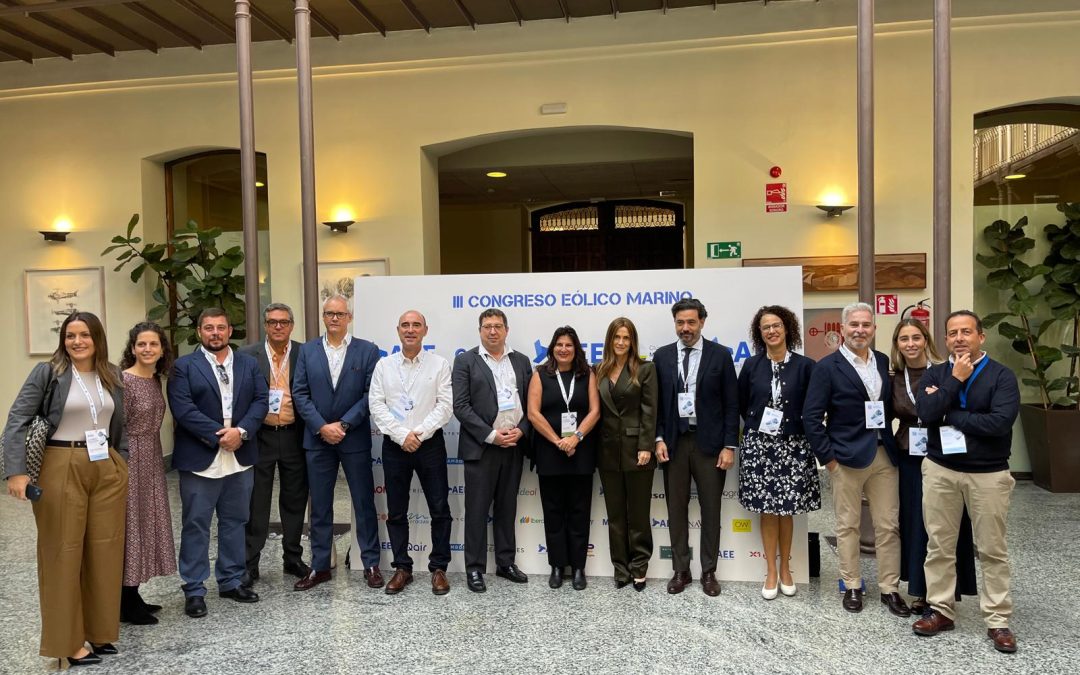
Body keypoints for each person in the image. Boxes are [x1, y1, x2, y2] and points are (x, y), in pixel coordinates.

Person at [3, 311, 128, 667]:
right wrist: (16, 472)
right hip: (60, 463)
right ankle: (68, 643)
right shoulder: (49, 372)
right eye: (70, 336)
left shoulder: (112, 374)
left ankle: (100, 632)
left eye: (84, 335)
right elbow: (17, 419)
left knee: (105, 551)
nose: (77, 341)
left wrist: (122, 463)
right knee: (62, 552)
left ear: (97, 338)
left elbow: (120, 423)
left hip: (104, 465)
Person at [913, 310, 1022, 654]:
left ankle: (998, 619)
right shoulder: (936, 373)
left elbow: (999, 423)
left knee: (992, 549)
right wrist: (955, 380)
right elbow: (926, 413)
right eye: (952, 333)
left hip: (988, 474)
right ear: (945, 339)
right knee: (939, 545)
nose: (959, 338)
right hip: (941, 470)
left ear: (980, 337)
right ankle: (941, 610)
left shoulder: (1001, 376)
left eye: (966, 332)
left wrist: (951, 413)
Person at [804, 302, 909, 617]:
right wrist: (829, 459)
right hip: (845, 459)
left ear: (874, 329)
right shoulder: (827, 367)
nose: (860, 330)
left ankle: (890, 588)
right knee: (847, 525)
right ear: (842, 329)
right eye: (854, 325)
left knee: (888, 526)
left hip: (884, 455)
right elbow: (811, 418)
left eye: (866, 325)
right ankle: (852, 584)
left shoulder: (882, 361)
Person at [168, 308, 269, 618]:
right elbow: (183, 408)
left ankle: (231, 580)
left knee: (235, 521)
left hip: (239, 457)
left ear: (229, 331)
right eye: (209, 328)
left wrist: (241, 432)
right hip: (202, 457)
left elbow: (261, 401)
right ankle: (194, 589)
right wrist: (220, 435)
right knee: (196, 524)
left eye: (221, 327)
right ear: (199, 332)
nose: (215, 333)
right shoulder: (184, 367)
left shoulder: (248, 364)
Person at [292, 295, 383, 591]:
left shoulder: (367, 350)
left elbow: (371, 394)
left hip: (353, 437)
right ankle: (320, 567)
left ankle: (370, 563)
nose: (334, 318)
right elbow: (300, 393)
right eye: (329, 313)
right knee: (319, 506)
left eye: (340, 314)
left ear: (349, 317)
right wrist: (321, 426)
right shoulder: (307, 351)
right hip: (317, 439)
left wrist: (343, 424)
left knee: (363, 502)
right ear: (323, 316)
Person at [889, 318, 976, 615]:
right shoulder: (893, 377)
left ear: (926, 340)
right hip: (908, 456)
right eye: (904, 339)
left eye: (916, 337)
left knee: (944, 524)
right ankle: (921, 590)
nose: (911, 344)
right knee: (916, 523)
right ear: (897, 344)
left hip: (943, 454)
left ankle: (945, 591)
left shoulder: (945, 371)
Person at [653, 298, 739, 597]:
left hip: (710, 445)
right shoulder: (662, 356)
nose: (685, 328)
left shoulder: (720, 355)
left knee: (711, 510)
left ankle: (709, 571)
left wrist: (729, 446)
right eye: (680, 322)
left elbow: (731, 404)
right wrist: (658, 438)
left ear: (702, 322)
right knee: (676, 509)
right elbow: (656, 404)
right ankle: (681, 570)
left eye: (691, 322)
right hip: (674, 444)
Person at [368, 310, 454, 596]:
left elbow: (445, 405)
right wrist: (402, 435)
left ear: (425, 330)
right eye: (405, 325)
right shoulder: (384, 366)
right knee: (396, 511)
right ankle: (402, 568)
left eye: (416, 325)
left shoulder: (439, 364)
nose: (410, 329)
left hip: (430, 445)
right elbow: (376, 405)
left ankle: (439, 568)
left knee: (439, 508)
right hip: (395, 445)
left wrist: (419, 434)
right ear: (398, 330)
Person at [737, 306, 819, 600]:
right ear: (759, 334)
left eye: (776, 325)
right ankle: (771, 570)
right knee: (768, 509)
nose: (771, 331)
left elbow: (813, 406)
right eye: (765, 327)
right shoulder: (751, 366)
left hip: (793, 445)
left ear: (787, 329)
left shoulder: (806, 366)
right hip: (760, 446)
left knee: (787, 509)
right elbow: (742, 403)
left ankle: (786, 568)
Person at [452, 308, 533, 593]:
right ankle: (474, 568)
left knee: (507, 508)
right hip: (481, 447)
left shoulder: (521, 361)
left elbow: (532, 404)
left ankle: (505, 563)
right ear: (480, 331)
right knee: (476, 510)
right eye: (487, 326)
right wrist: (491, 436)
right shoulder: (465, 361)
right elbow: (460, 406)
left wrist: (522, 430)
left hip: (514, 445)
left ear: (506, 330)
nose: (493, 331)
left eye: (498, 326)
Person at [238, 303, 311, 589]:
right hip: (260, 435)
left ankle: (292, 557)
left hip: (294, 434)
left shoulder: (305, 352)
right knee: (257, 501)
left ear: (292, 325)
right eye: (272, 322)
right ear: (265, 325)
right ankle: (250, 562)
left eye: (283, 322)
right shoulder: (247, 355)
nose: (278, 326)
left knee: (294, 499)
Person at [527, 326, 601, 591]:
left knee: (580, 512)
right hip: (550, 452)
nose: (563, 349)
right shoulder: (540, 374)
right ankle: (557, 566)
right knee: (553, 512)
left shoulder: (587, 373)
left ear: (576, 348)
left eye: (569, 345)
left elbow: (595, 411)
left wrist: (575, 438)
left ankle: (579, 567)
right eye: (559, 344)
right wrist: (558, 441)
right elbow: (533, 413)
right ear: (552, 348)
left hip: (581, 452)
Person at [117, 321, 176, 626]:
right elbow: (117, 426)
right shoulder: (123, 381)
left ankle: (134, 593)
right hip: (130, 459)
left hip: (151, 458)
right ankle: (125, 601)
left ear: (162, 349)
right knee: (131, 527)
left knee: (145, 524)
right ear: (132, 348)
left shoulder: (154, 379)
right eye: (142, 344)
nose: (147, 349)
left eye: (153, 344)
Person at [595, 317, 657, 592]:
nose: (621, 342)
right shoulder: (598, 370)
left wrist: (646, 446)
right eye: (617, 337)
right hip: (607, 451)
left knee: (639, 515)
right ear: (610, 340)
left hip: (637, 451)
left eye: (626, 338)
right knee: (616, 515)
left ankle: (639, 567)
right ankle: (620, 568)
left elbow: (650, 410)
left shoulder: (645, 369)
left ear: (633, 342)